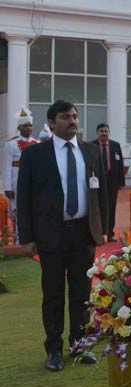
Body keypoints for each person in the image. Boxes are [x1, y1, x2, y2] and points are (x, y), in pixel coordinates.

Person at [17, 100, 105, 371]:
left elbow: (99, 195)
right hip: (50, 235)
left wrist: (99, 233)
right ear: (52, 122)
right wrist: (27, 238)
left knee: (82, 294)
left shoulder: (90, 151)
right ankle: (53, 350)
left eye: (75, 117)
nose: (73, 121)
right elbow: (25, 198)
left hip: (82, 235)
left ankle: (80, 345)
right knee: (53, 294)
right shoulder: (35, 155)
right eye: (66, 117)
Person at [4, 106, 39, 243]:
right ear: (19, 127)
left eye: (30, 125)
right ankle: (19, 240)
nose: (29, 128)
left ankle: (34, 238)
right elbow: (6, 166)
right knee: (18, 212)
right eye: (25, 125)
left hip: (34, 184)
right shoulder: (11, 144)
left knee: (34, 210)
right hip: (16, 183)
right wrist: (7, 187)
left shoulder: (37, 144)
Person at [94, 123, 125, 242]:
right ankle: (98, 233)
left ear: (109, 132)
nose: (104, 133)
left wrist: (121, 182)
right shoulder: (92, 146)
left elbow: (120, 164)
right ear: (97, 133)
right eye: (101, 131)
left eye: (106, 131)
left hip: (112, 182)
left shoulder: (115, 145)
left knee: (111, 208)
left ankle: (110, 233)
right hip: (96, 182)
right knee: (97, 208)